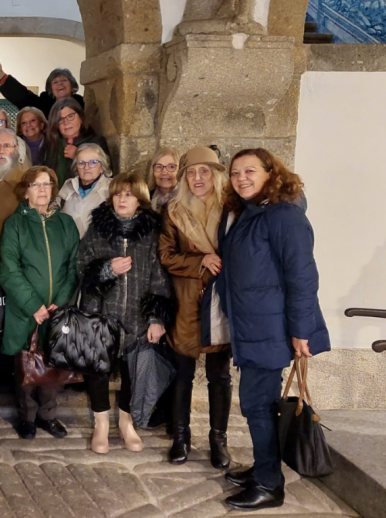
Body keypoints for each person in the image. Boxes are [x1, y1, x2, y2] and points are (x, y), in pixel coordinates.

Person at [218, 149, 330, 511]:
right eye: (235, 173)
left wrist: (301, 331)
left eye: (250, 171)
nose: (241, 178)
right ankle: (263, 468)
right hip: (253, 325)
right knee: (259, 404)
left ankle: (269, 484)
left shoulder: (283, 216)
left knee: (256, 404)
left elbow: (302, 277)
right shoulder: (252, 213)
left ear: (272, 173)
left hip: (272, 328)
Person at [77, 173, 175, 454]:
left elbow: (160, 276)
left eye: (129, 195)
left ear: (140, 202)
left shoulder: (151, 233)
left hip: (137, 315)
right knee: (98, 369)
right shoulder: (98, 228)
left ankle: (125, 422)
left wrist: (156, 318)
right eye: (118, 194)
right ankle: (101, 424)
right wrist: (108, 269)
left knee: (132, 370)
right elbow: (81, 264)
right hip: (100, 312)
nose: (122, 199)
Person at [158, 147, 232, 468]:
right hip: (187, 301)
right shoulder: (174, 211)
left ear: (215, 174)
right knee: (183, 375)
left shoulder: (232, 211)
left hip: (221, 302)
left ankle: (218, 440)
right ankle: (181, 437)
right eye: (191, 172)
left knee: (220, 376)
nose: (197, 178)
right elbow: (166, 256)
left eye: (204, 171)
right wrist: (200, 260)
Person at [0, 166, 79, 440]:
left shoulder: (66, 224)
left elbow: (73, 266)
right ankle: (27, 417)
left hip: (57, 309)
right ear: (26, 190)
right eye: (36, 185)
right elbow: (9, 269)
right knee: (25, 365)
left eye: (47, 184)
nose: (42, 190)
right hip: (26, 309)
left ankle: (48, 415)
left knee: (53, 364)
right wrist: (33, 304)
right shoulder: (15, 224)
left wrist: (59, 300)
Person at [39, 98, 109, 188]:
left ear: (80, 117)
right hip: (54, 197)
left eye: (70, 116)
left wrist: (78, 156)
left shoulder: (96, 142)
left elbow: (107, 173)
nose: (66, 122)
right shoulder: (50, 144)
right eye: (60, 119)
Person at [0, 54, 86, 115]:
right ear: (51, 89)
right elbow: (22, 96)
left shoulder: (82, 104)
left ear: (72, 86)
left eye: (64, 80)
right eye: (55, 82)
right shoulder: (43, 104)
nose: (60, 83)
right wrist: (0, 74)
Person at [58, 143, 112, 237]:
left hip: (98, 248)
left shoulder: (112, 189)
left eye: (93, 162)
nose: (86, 167)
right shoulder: (68, 186)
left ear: (102, 167)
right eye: (81, 163)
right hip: (69, 246)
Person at [148, 147, 180, 213]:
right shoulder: (145, 199)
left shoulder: (189, 200)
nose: (164, 172)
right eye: (159, 166)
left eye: (171, 167)